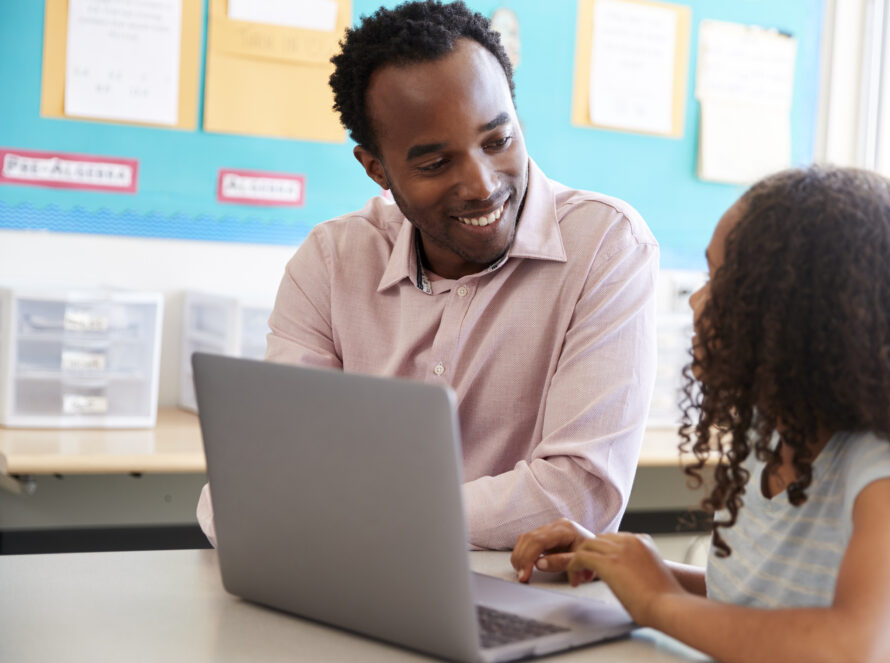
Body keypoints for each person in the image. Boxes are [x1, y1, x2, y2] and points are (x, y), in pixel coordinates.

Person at [511, 166, 890, 663]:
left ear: (805, 320)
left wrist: (658, 602)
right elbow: (768, 611)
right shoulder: (770, 435)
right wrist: (631, 565)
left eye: (721, 281)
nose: (697, 300)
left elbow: (855, 657)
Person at [196, 1, 658, 549]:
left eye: (498, 141)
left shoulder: (606, 245)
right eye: (436, 164)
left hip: (518, 588)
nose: (482, 184)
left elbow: (579, 495)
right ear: (376, 169)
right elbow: (258, 478)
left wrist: (346, 514)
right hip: (359, 583)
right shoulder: (331, 260)